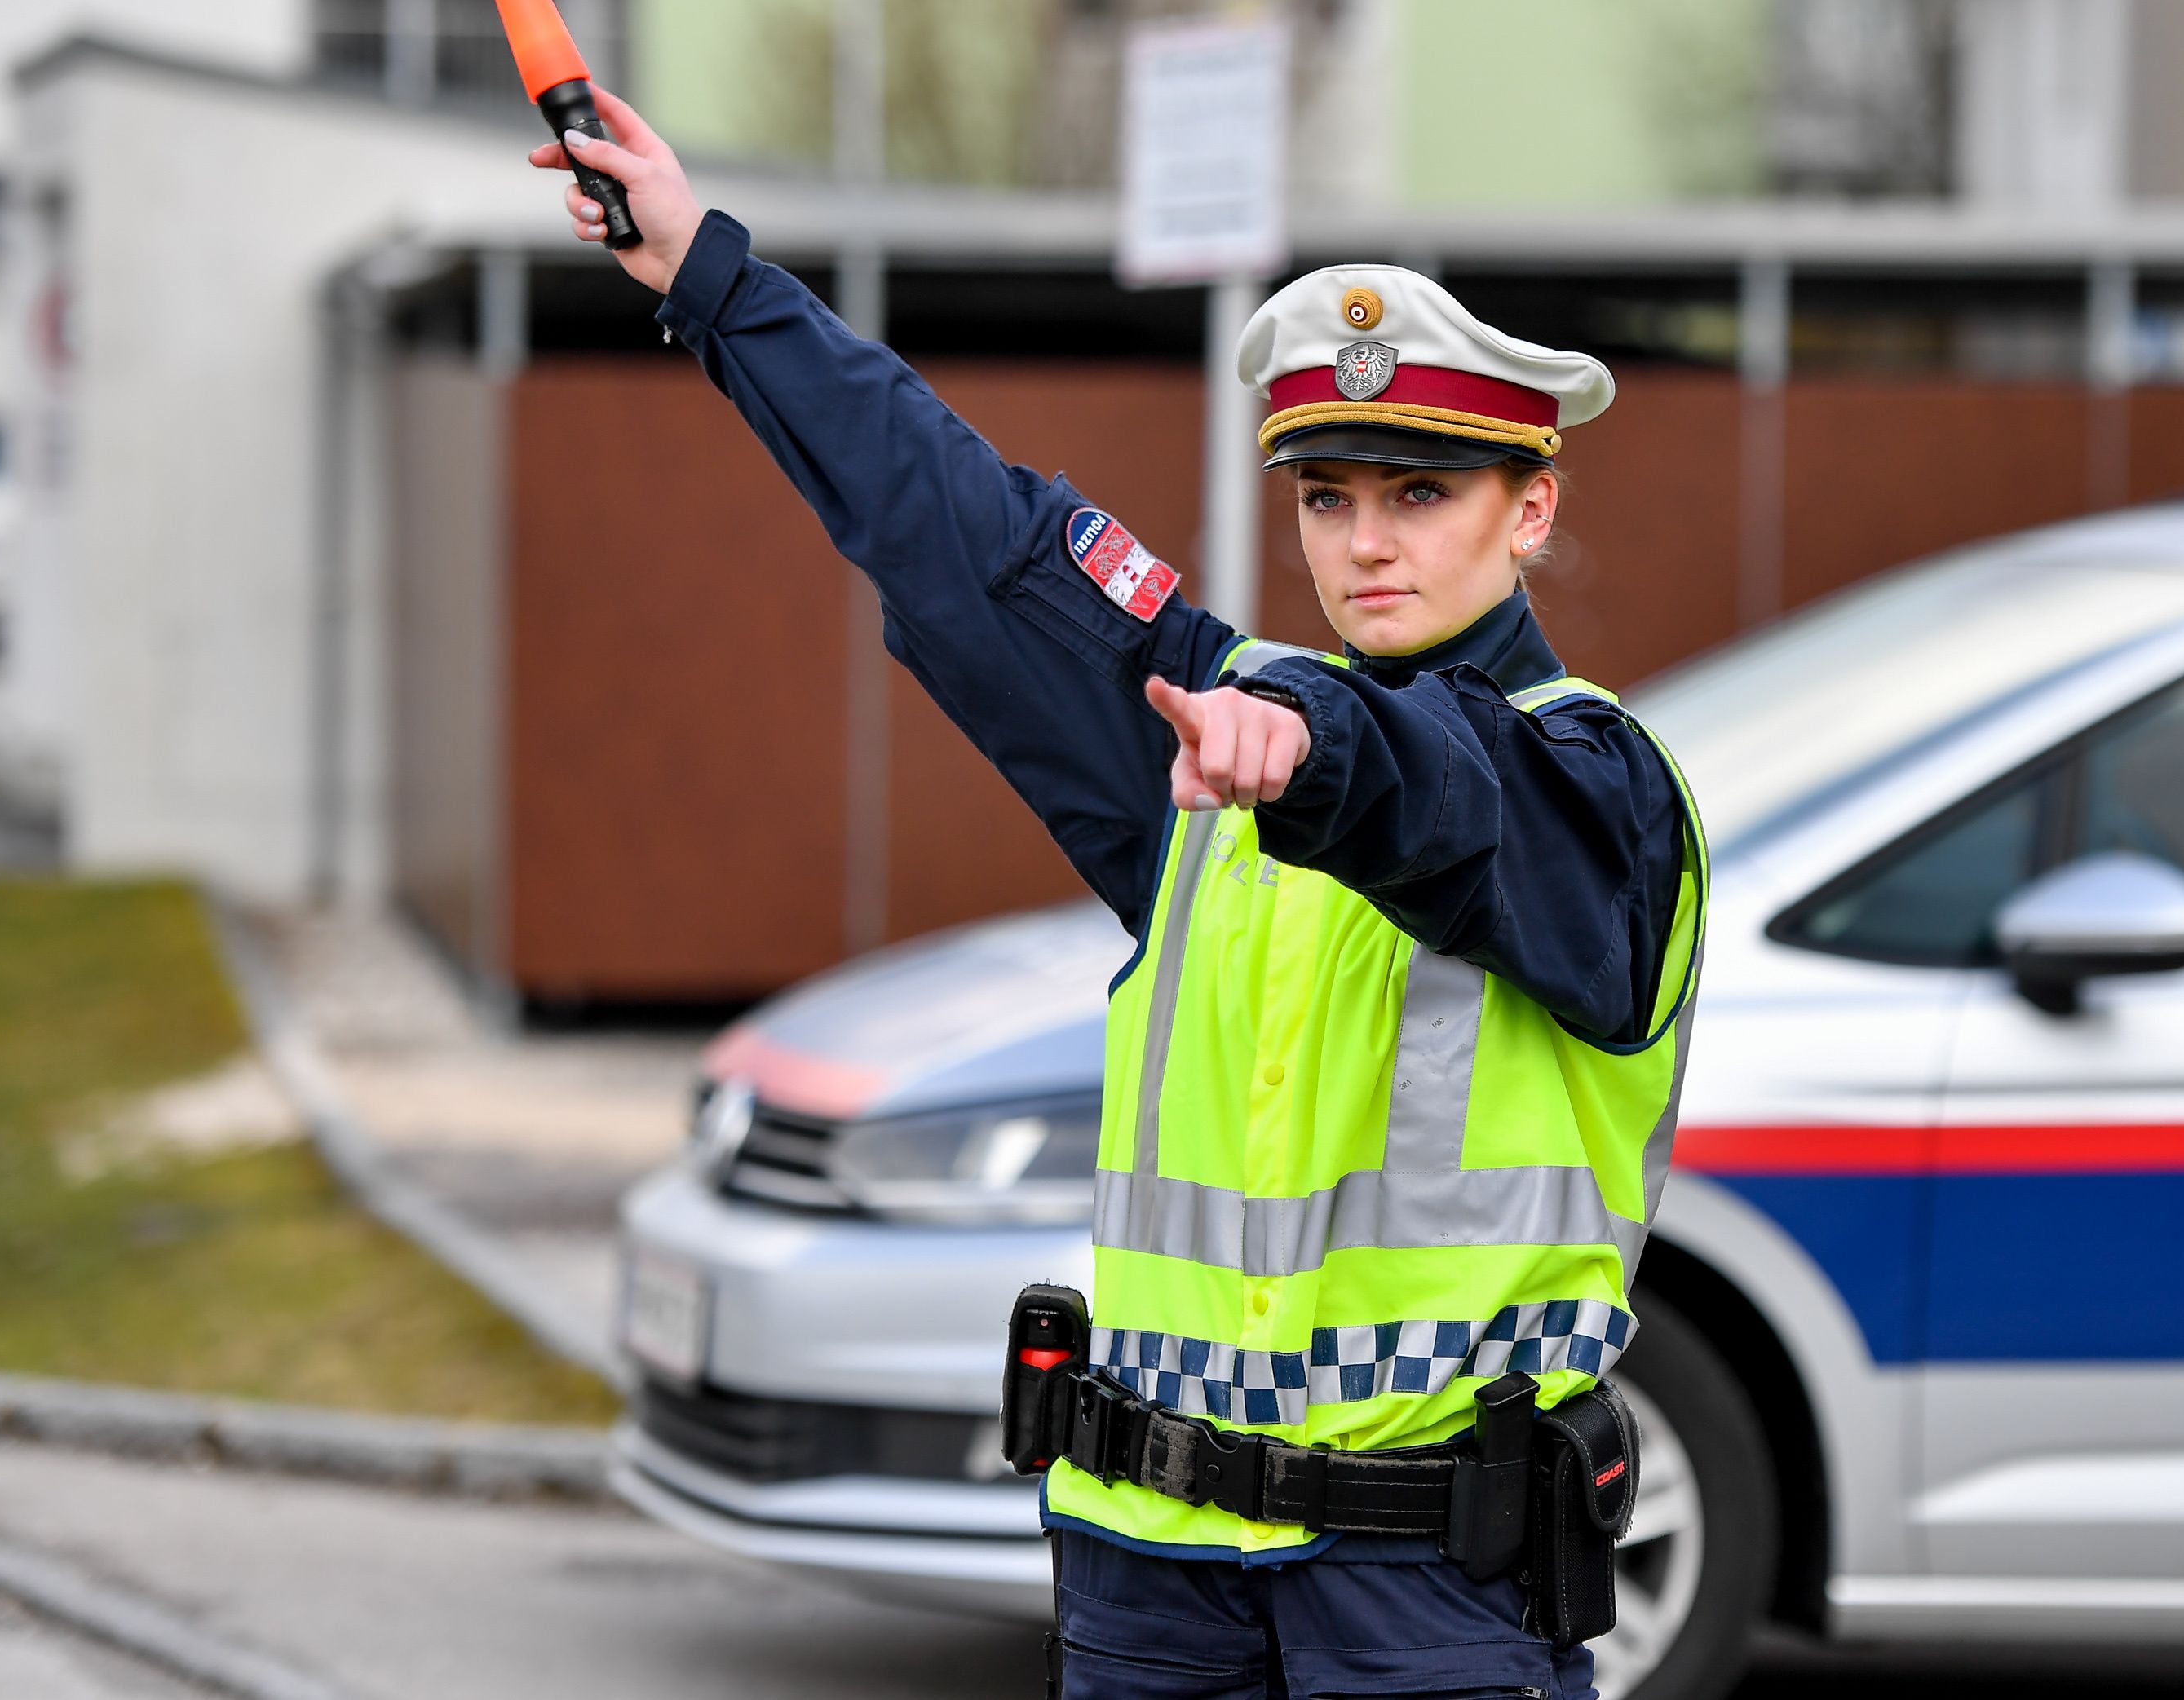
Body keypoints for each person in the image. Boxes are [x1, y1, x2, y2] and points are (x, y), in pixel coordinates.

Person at [531, 95, 1706, 1700]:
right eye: (1328, 497)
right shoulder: (1211, 731)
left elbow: (1447, 789)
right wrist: (709, 277)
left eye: (1419, 496)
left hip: (1429, 1591)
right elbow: (971, 539)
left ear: (1533, 508)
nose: (1364, 545)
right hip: (1152, 1579)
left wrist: (1307, 746)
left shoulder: (1598, 788)